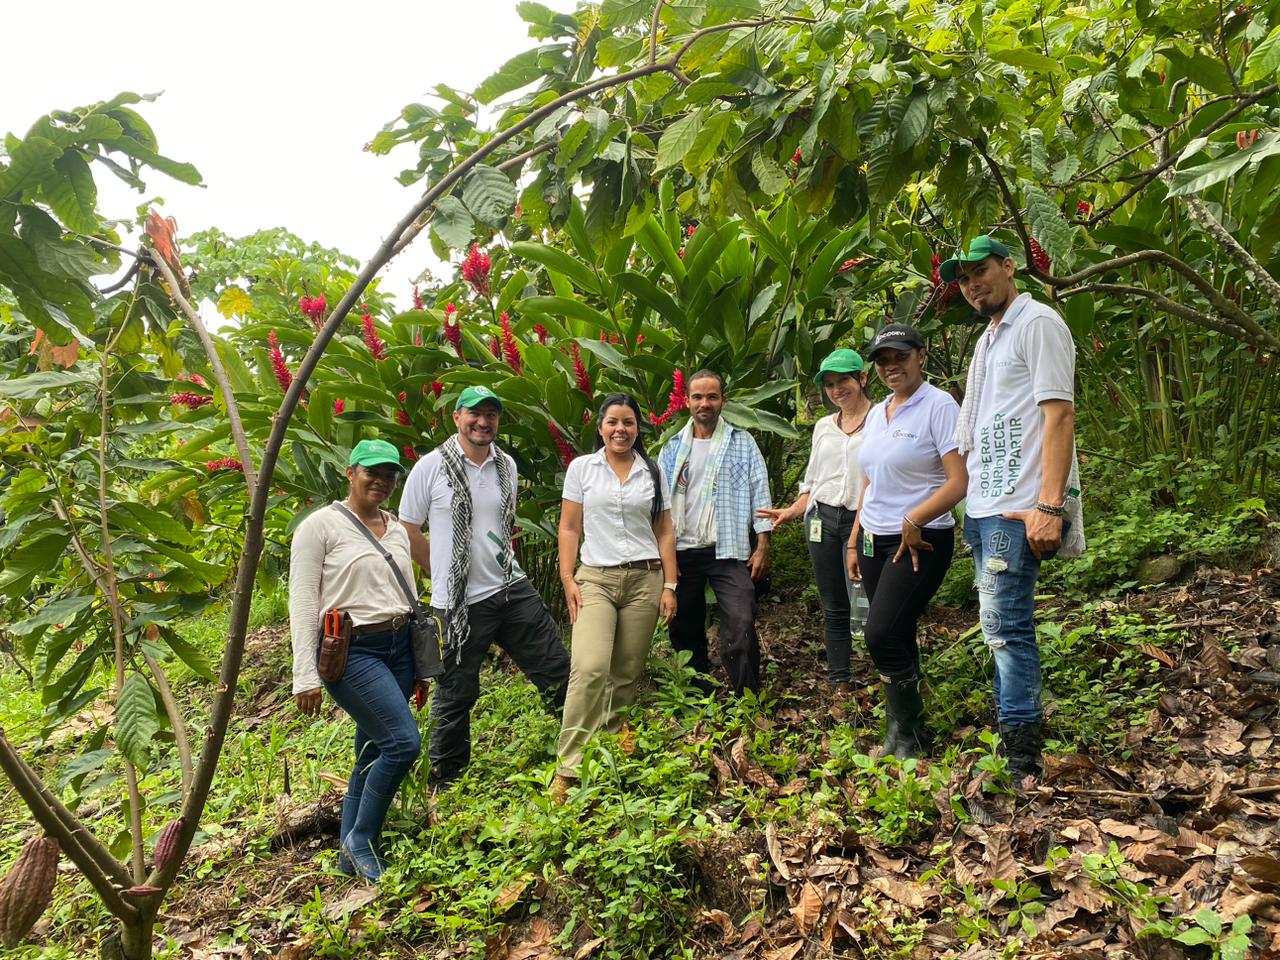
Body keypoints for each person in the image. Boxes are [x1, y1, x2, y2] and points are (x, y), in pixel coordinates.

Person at [940, 235, 1084, 786]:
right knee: (994, 625)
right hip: (984, 505)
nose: (973, 284)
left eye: (981, 271)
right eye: (963, 278)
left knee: (1006, 625)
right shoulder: (990, 339)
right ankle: (1008, 737)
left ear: (1008, 267)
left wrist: (1049, 504)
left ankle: (1021, 754)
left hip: (1018, 508)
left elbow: (1059, 415)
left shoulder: (1037, 323)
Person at [399, 385, 571, 788]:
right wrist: (442, 572)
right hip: (458, 602)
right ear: (456, 417)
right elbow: (408, 527)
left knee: (556, 667)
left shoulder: (506, 465)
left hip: (510, 587)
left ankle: (580, 744)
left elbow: (501, 525)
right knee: (455, 692)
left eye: (491, 414)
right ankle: (446, 778)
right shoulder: (431, 467)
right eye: (474, 413)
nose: (483, 421)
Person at [289, 439, 425, 882]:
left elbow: (408, 596)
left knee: (371, 749)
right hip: (352, 651)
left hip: (399, 647)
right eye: (372, 472)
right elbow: (304, 600)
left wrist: (422, 665)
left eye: (389, 475)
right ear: (350, 472)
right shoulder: (320, 527)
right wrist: (304, 675)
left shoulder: (398, 529)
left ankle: (349, 861)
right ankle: (363, 838)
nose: (381, 482)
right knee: (403, 743)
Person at [846, 324, 967, 759]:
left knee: (880, 633)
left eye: (899, 356)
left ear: (921, 355)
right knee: (896, 632)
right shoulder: (878, 412)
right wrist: (855, 539)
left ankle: (910, 731)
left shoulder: (939, 406)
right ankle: (900, 733)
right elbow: (871, 480)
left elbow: (959, 482)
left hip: (921, 539)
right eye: (882, 360)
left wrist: (915, 518)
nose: (891, 366)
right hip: (875, 540)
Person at [553, 393, 678, 800]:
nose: (620, 429)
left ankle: (608, 741)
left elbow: (664, 531)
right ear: (600, 427)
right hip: (596, 579)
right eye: (612, 422)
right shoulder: (582, 469)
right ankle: (568, 767)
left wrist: (671, 585)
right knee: (589, 667)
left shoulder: (652, 471)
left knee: (625, 670)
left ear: (638, 428)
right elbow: (570, 527)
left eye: (628, 422)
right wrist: (567, 577)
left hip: (645, 579)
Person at [756, 349, 871, 695]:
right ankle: (841, 681)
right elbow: (812, 482)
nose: (837, 390)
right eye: (830, 385)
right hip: (822, 519)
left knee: (873, 599)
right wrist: (791, 511)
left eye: (844, 381)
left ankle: (887, 674)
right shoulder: (823, 426)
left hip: (863, 518)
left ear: (862, 379)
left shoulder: (883, 418)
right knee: (834, 603)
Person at [656, 370, 773, 695]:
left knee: (741, 621)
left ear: (723, 400)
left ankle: (746, 697)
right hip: (682, 551)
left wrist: (763, 543)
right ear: (687, 401)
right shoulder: (672, 448)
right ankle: (698, 693)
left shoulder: (742, 442)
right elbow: (660, 504)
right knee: (684, 624)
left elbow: (759, 491)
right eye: (698, 397)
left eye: (711, 396)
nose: (704, 403)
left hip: (729, 550)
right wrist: (664, 557)